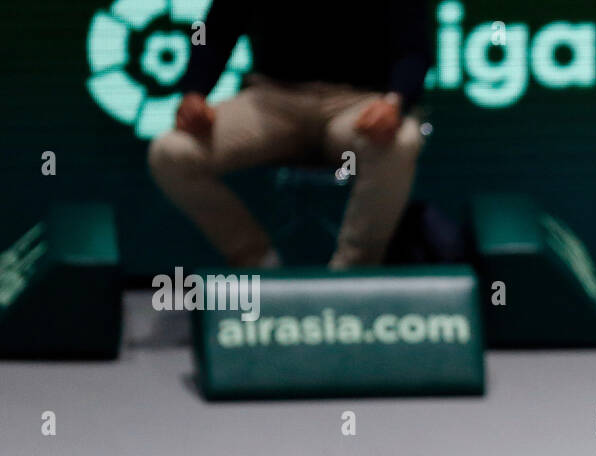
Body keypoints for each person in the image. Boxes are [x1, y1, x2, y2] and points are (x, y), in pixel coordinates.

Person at [148, 0, 430, 269]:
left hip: (357, 103)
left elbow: (417, 48)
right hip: (272, 100)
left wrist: (396, 100)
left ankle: (351, 274)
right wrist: (194, 91)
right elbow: (211, 32)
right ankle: (257, 262)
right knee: (172, 151)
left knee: (401, 141)